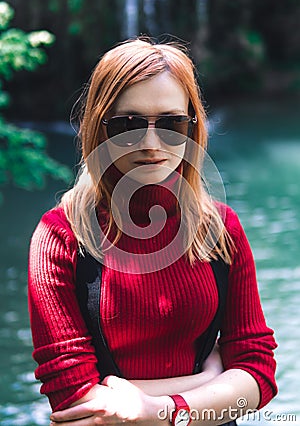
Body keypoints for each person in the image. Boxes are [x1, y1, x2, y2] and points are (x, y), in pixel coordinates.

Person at [28, 37, 277, 426]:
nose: (150, 143)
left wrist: (157, 410)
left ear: (192, 127)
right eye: (128, 124)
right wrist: (211, 380)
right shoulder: (60, 236)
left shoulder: (221, 229)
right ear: (100, 128)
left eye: (171, 123)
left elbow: (258, 375)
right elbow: (72, 400)